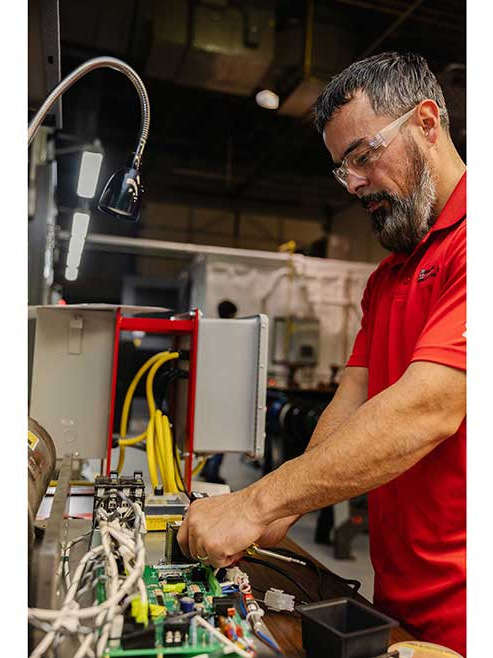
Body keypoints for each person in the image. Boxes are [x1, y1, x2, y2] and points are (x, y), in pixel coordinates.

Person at [178, 53, 466, 655]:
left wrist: (258, 501)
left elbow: (431, 407)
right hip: (400, 605)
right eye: (342, 169)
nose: (354, 182)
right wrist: (279, 508)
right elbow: (352, 400)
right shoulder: (386, 278)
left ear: (427, 122)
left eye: (363, 156)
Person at [200, 300, 238, 484]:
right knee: (221, 436)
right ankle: (212, 472)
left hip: (211, 390)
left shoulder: (211, 331)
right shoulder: (232, 334)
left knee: (212, 433)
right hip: (225, 392)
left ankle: (208, 469)